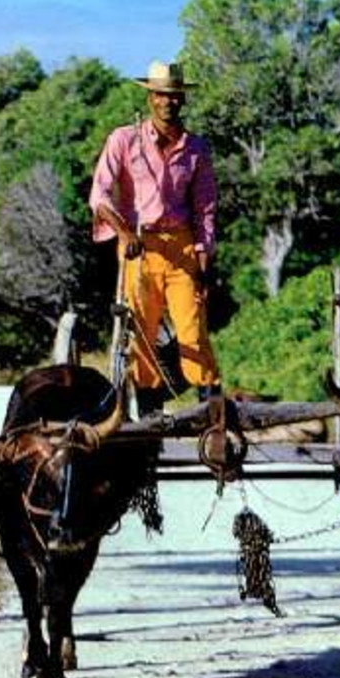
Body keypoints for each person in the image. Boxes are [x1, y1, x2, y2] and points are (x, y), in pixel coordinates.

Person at [89, 60, 221, 416]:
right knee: (142, 333)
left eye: (174, 96)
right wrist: (123, 230)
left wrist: (204, 263)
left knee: (193, 328)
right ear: (150, 97)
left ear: (182, 100)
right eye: (161, 95)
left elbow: (205, 209)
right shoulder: (124, 139)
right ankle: (150, 415)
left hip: (180, 247)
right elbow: (99, 196)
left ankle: (210, 415)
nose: (167, 102)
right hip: (139, 246)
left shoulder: (196, 149)